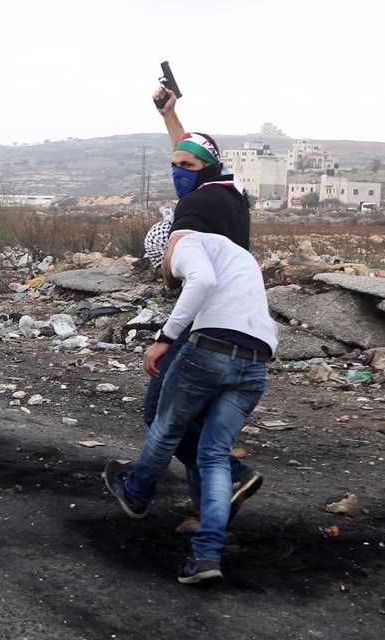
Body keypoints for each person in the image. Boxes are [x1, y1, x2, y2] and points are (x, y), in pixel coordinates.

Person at [107, 229, 278, 584]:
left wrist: (163, 339)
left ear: (166, 246)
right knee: (214, 455)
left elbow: (202, 281)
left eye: (163, 266)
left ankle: (135, 492)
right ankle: (207, 555)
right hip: (256, 364)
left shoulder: (186, 242)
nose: (167, 273)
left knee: (166, 426)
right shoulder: (240, 256)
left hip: (209, 352)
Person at [141, 85, 262, 516]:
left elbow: (180, 277)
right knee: (200, 420)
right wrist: (170, 117)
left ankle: (230, 473)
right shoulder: (231, 191)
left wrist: (166, 266)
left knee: (160, 411)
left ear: (203, 169)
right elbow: (191, 152)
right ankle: (209, 515)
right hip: (238, 323)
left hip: (202, 324)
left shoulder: (195, 204)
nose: (178, 171)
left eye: (185, 167)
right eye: (174, 165)